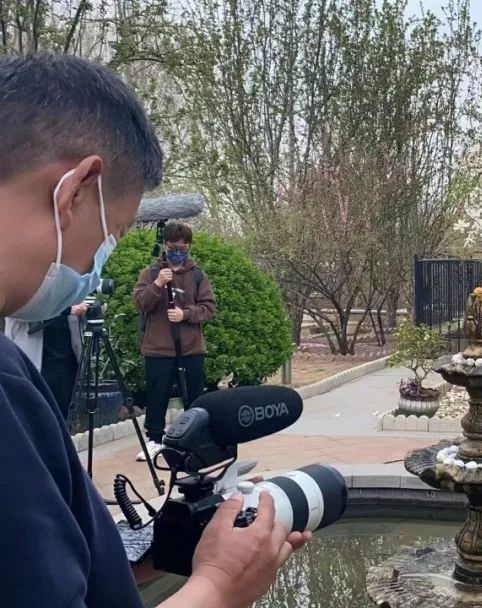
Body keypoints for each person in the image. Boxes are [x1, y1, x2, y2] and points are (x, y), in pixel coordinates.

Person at [0, 52, 308, 608]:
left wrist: (160, 552)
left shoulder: (11, 366)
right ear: (74, 191)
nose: (96, 261)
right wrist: (220, 585)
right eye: (112, 234)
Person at [134, 221, 216, 461]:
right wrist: (158, 284)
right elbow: (140, 302)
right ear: (165, 246)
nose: (177, 252)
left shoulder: (197, 274)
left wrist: (186, 314)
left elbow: (209, 307)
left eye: (182, 248)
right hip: (158, 349)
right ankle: (154, 440)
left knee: (194, 395)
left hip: (191, 349)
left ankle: (195, 438)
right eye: (173, 248)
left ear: (188, 247)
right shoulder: (151, 273)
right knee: (156, 395)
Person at [4, 304, 87, 415]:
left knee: (64, 408)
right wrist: (66, 310)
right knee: (35, 409)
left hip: (66, 356)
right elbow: (19, 312)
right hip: (37, 357)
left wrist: (84, 311)